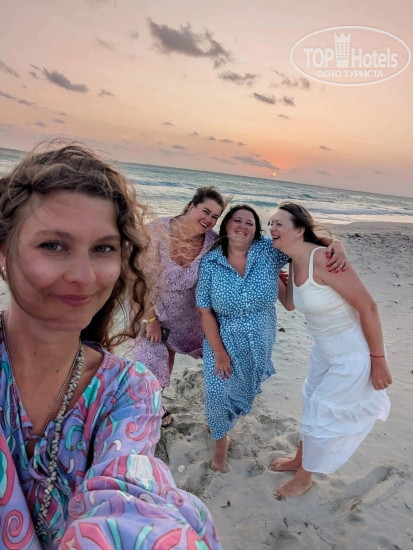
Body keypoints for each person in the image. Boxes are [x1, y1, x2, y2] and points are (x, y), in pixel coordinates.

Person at [0, 143, 221, 549]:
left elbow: (132, 498)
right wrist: (150, 319)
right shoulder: (160, 231)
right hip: (156, 321)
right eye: (53, 245)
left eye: (103, 248)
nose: (83, 276)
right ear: (4, 252)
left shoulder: (128, 392)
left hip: (184, 324)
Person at [196, 204, 346, 474]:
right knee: (217, 395)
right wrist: (219, 352)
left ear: (256, 231)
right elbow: (204, 311)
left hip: (259, 339)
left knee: (241, 388)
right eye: (237, 220)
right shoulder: (210, 263)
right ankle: (221, 443)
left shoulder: (268, 251)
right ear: (226, 225)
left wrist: (335, 244)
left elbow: (304, 241)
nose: (242, 226)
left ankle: (228, 422)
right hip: (224, 339)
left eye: (250, 223)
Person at [268, 201, 392, 498]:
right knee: (310, 403)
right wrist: (272, 276)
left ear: (299, 230)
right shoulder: (294, 261)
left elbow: (369, 306)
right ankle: (299, 460)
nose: (271, 228)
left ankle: (304, 478)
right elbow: (290, 303)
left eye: (279, 224)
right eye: (270, 223)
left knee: (320, 414)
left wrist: (378, 360)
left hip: (352, 355)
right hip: (323, 350)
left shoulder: (324, 259)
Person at [129, 187, 226, 427]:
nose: (209, 219)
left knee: (174, 355)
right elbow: (135, 277)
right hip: (150, 308)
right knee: (151, 359)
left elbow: (240, 252)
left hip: (188, 317)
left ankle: (159, 402)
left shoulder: (212, 242)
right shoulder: (156, 231)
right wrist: (150, 318)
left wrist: (269, 273)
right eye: (205, 211)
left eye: (215, 216)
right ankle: (151, 407)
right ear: (191, 206)